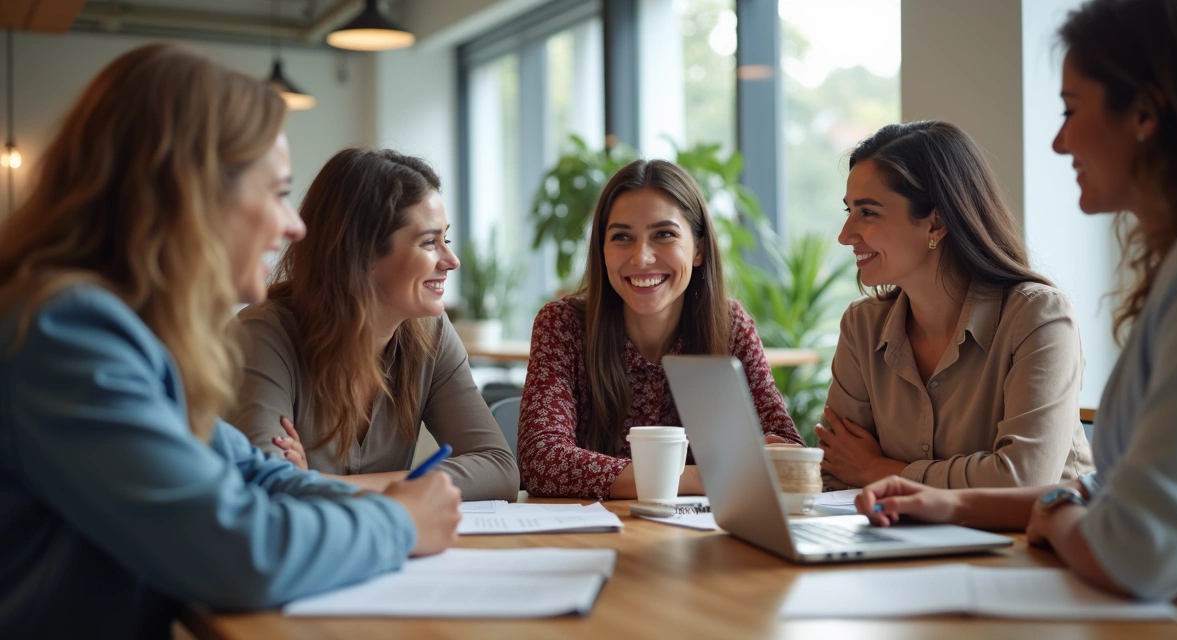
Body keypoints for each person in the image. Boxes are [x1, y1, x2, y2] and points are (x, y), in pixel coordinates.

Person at [0, 44, 461, 638]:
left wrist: (380, 507)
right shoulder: (66, 333)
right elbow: (240, 552)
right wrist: (398, 523)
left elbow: (254, 473)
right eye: (276, 193)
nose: (294, 226)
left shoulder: (126, 334)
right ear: (191, 196)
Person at [857, 0, 1177, 601]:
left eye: (1071, 111)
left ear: (1145, 114)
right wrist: (948, 503)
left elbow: (1136, 552)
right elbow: (1107, 494)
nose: (1057, 141)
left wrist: (1058, 516)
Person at [227, 148, 518, 501]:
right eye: (430, 242)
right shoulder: (264, 335)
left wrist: (325, 485)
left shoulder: (431, 332)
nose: (452, 260)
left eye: (447, 239)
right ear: (361, 254)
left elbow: (499, 469)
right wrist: (408, 489)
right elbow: (268, 489)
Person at [820, 120, 1094, 489]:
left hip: (1032, 543)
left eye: (867, 212)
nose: (845, 235)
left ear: (936, 222)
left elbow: (1022, 480)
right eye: (848, 211)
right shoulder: (862, 327)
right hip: (904, 543)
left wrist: (877, 470)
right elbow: (838, 471)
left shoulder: (1039, 317)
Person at [518, 159, 804, 499]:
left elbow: (787, 453)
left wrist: (771, 457)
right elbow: (541, 461)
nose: (641, 258)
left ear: (698, 249)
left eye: (664, 235)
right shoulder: (562, 325)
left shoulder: (728, 326)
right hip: (591, 539)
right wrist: (701, 478)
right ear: (602, 250)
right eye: (622, 237)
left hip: (703, 541)